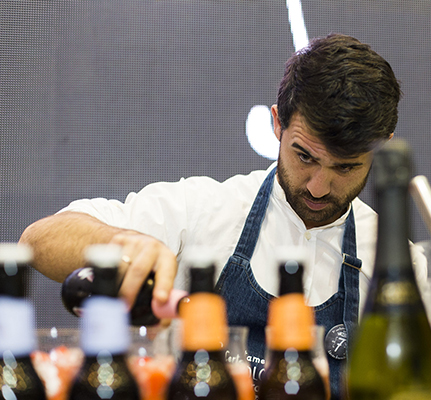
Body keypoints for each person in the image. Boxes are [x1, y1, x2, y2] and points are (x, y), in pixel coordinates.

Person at [20, 33, 402, 399]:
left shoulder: (395, 262)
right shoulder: (202, 209)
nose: (319, 186)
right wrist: (120, 245)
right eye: (305, 156)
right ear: (277, 124)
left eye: (346, 167)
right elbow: (39, 241)